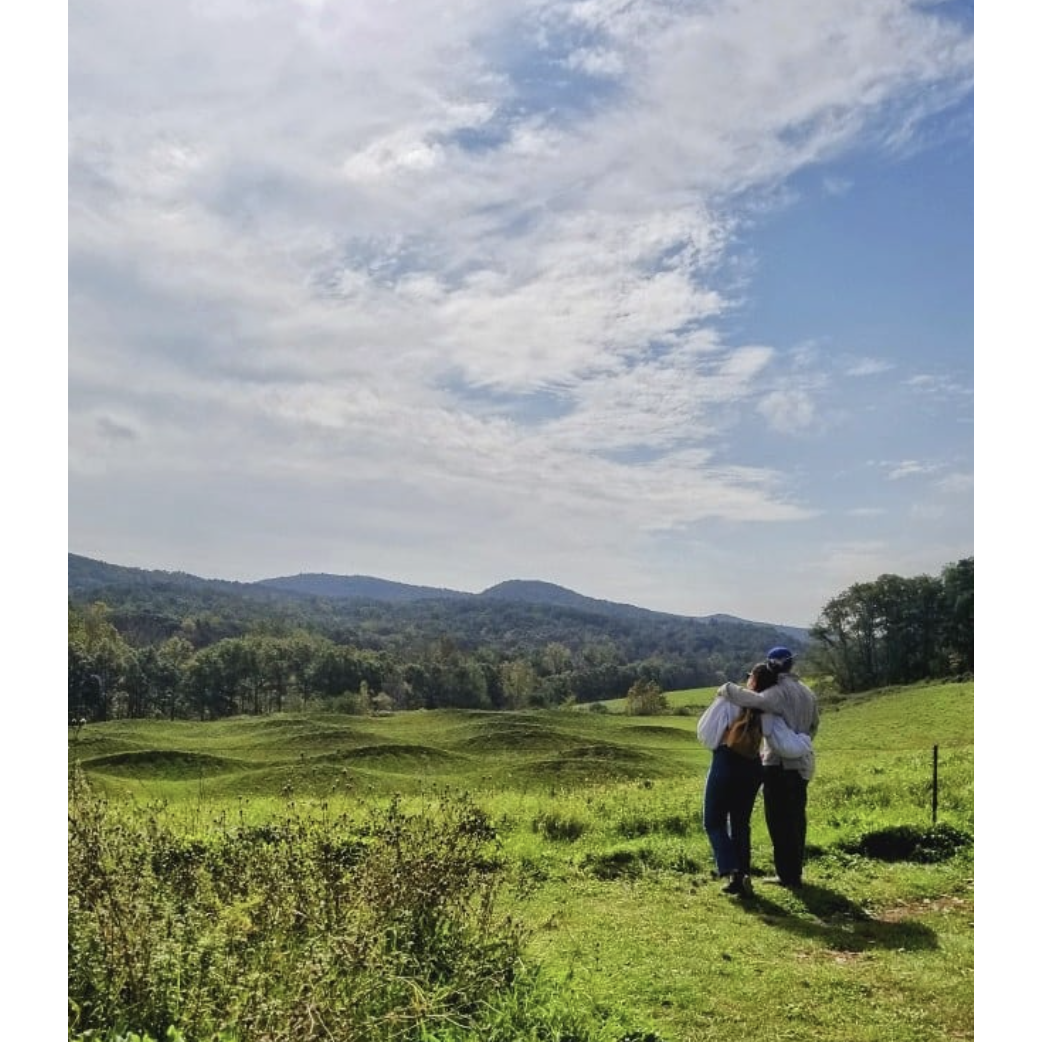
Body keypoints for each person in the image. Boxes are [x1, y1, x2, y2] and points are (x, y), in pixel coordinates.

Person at [697, 662, 812, 897]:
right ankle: (743, 875)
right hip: (752, 767)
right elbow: (781, 740)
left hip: (726, 761)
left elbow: (706, 733)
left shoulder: (729, 700)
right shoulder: (769, 710)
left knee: (713, 821)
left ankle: (733, 869)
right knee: (740, 823)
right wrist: (804, 742)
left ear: (752, 680)